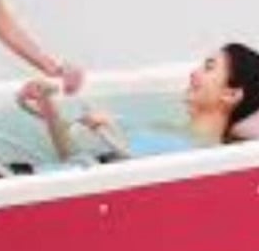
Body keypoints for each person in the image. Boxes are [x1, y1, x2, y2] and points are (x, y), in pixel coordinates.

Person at [18, 43, 259, 163]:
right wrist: (49, 108)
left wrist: (111, 130)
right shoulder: (164, 130)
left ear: (230, 95)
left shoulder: (205, 158)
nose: (193, 73)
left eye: (209, 68)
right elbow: (74, 160)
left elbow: (132, 173)